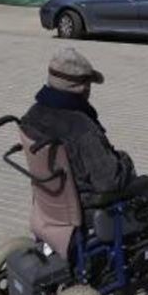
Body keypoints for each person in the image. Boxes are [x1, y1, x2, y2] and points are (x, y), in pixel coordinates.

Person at [20, 48, 136, 204]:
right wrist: (125, 161)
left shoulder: (32, 115)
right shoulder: (82, 128)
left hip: (51, 200)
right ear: (84, 88)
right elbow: (109, 182)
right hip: (86, 205)